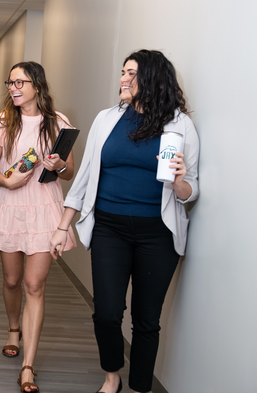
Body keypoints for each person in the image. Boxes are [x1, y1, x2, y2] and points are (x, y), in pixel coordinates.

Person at [50, 50, 200, 393]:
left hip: (157, 234)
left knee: (147, 320)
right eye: (122, 72)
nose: (122, 79)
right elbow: (85, 177)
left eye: (130, 73)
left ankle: (141, 386)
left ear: (150, 78)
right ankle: (112, 376)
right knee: (106, 311)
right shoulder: (107, 119)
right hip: (109, 228)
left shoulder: (180, 125)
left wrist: (179, 182)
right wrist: (63, 226)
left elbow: (192, 190)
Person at [0, 61, 76, 393]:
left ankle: (28, 366)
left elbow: (68, 173)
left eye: (20, 82)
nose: (13, 87)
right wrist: (7, 185)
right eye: (11, 82)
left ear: (37, 86)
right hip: (10, 205)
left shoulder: (58, 123)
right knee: (11, 280)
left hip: (44, 207)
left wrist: (59, 164)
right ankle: (14, 328)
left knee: (33, 284)